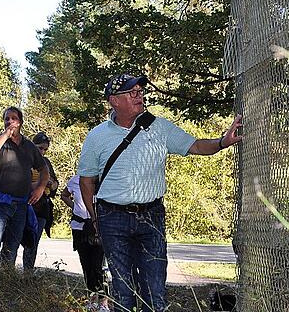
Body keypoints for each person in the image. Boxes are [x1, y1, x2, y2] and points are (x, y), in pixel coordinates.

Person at [78, 73, 243, 312]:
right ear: (114, 100)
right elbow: (87, 182)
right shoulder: (97, 136)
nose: (139, 95)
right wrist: (96, 219)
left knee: (155, 291)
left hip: (151, 217)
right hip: (112, 219)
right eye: (132, 92)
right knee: (123, 291)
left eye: (140, 91)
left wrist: (222, 142)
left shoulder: (160, 127)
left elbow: (195, 145)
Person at [0, 107, 49, 270]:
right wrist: (5, 135)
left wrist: (40, 188)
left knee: (12, 246)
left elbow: (44, 169)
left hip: (21, 204)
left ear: (20, 122)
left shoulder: (29, 146)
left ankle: (6, 281)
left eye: (13, 118)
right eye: (6, 119)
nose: (10, 122)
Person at [61, 174, 108, 312]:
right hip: (79, 227)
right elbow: (64, 195)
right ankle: (92, 299)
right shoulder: (75, 180)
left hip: (97, 227)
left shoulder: (102, 180)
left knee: (98, 265)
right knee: (86, 264)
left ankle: (104, 301)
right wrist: (74, 207)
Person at [22, 131, 59, 272]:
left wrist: (50, 183)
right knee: (16, 238)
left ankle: (28, 272)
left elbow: (56, 185)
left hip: (42, 205)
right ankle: (6, 270)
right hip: (26, 204)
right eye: (39, 148)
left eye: (45, 149)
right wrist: (39, 183)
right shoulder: (24, 159)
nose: (42, 151)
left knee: (33, 241)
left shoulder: (46, 163)